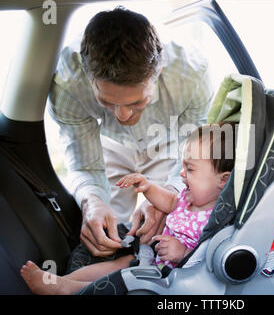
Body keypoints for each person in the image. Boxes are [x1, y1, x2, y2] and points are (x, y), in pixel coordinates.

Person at [48, 6, 214, 257]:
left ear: (158, 72)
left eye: (136, 102)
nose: (122, 116)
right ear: (87, 77)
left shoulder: (193, 74)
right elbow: (85, 166)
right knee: (104, 228)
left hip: (169, 143)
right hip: (108, 145)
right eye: (107, 102)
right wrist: (91, 201)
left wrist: (169, 195)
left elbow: (194, 157)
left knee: (167, 226)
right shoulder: (66, 86)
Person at [20, 122, 237, 295]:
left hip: (170, 277)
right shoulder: (187, 198)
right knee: (120, 263)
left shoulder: (220, 220)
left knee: (123, 275)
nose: (181, 174)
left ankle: (67, 289)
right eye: (182, 166)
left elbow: (212, 260)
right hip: (151, 258)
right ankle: (61, 281)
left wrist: (183, 254)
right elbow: (169, 201)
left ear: (223, 181)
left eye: (189, 169)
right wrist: (148, 186)